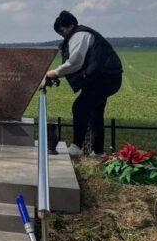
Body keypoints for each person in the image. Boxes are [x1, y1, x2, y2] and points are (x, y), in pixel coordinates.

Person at [46, 10, 123, 157]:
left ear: (69, 26)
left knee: (79, 108)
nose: (62, 36)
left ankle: (77, 147)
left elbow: (75, 62)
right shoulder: (82, 33)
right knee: (96, 112)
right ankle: (98, 151)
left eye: (62, 31)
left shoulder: (79, 35)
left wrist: (54, 73)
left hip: (102, 79)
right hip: (108, 77)